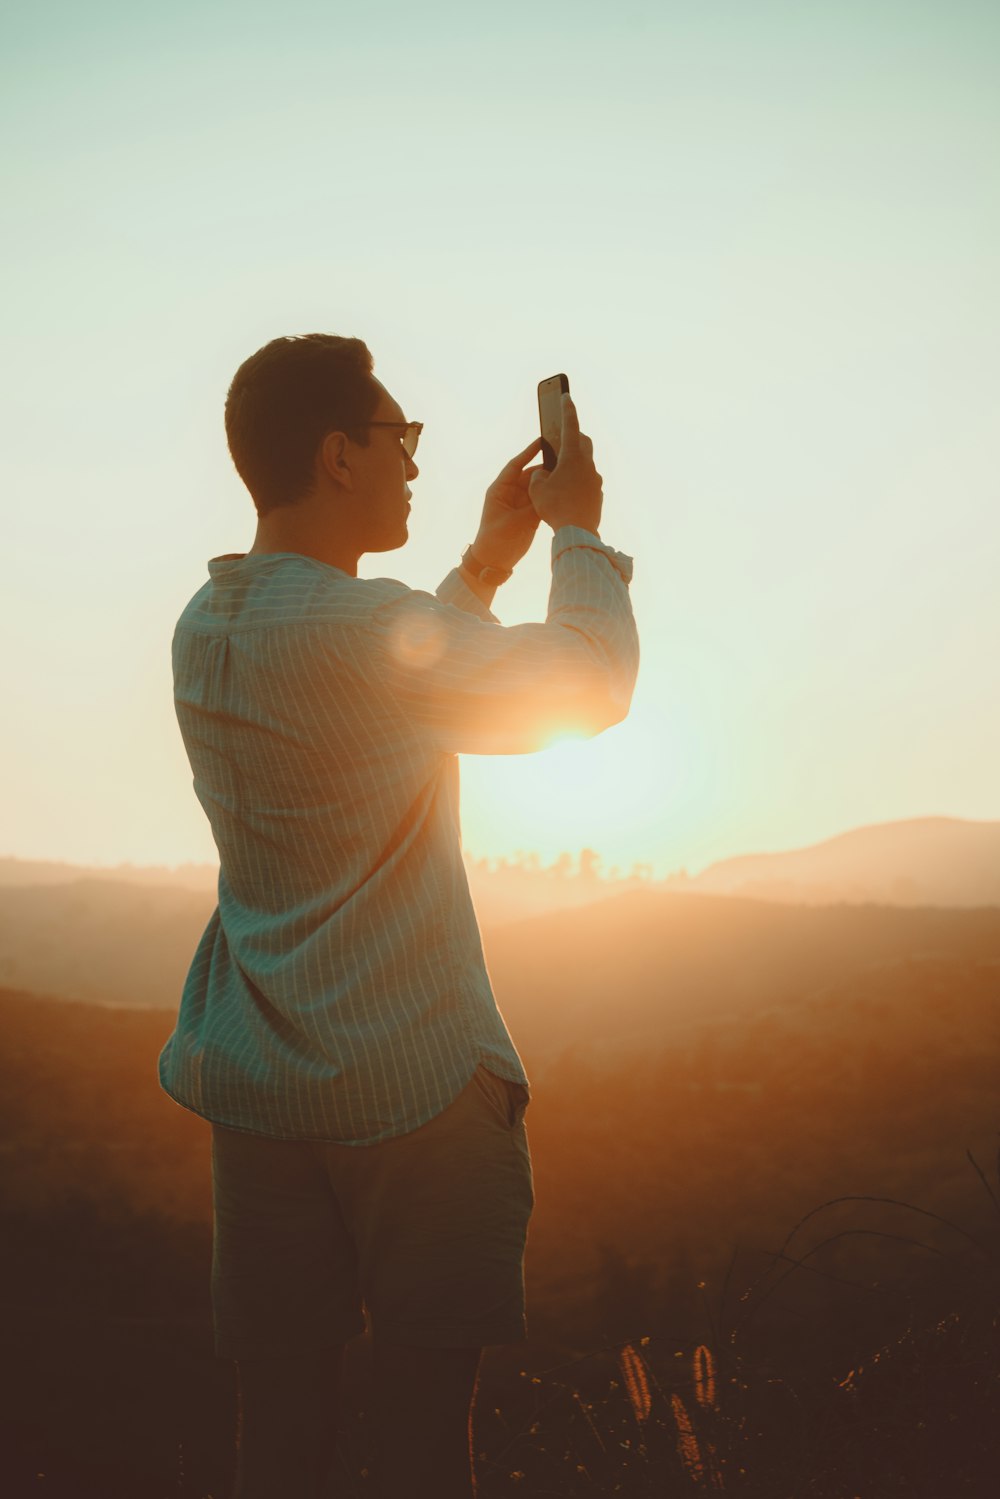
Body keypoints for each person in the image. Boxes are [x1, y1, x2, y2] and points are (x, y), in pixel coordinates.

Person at [158, 333, 639, 1499]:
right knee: (427, 1440)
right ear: (337, 455)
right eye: (401, 438)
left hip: (262, 1084)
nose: (415, 463)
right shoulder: (357, 631)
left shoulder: (205, 625)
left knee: (278, 1428)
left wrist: (480, 561)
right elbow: (587, 681)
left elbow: (380, 671)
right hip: (417, 1090)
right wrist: (574, 532)